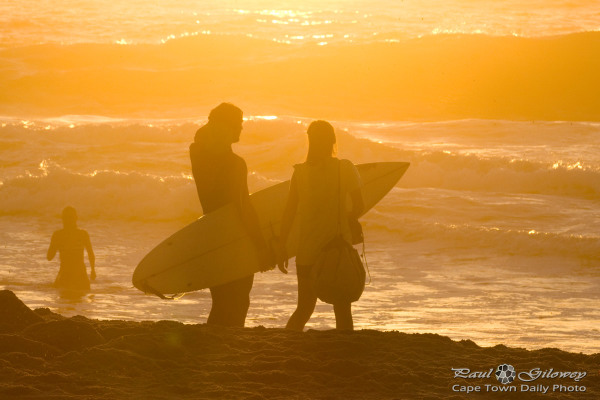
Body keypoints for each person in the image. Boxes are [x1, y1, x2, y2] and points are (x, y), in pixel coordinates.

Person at [190, 102, 273, 327]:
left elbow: (201, 134)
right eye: (237, 124)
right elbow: (243, 208)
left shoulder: (197, 154)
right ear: (224, 127)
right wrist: (261, 247)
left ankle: (214, 346)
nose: (241, 129)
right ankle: (231, 341)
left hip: (211, 235)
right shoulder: (235, 164)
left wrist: (215, 123)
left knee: (220, 300)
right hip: (235, 239)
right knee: (238, 300)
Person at [278, 120, 365, 331]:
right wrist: (348, 217)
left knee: (304, 309)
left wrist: (281, 247)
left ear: (310, 142)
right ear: (333, 141)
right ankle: (344, 353)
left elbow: (288, 213)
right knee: (342, 309)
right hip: (336, 250)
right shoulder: (345, 168)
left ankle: (287, 346)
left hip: (307, 251)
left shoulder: (300, 172)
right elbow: (360, 206)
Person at [47, 206, 96, 293]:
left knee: (62, 298)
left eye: (69, 218)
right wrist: (93, 270)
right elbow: (90, 254)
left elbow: (49, 257)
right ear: (76, 218)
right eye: (67, 218)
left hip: (65, 274)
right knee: (81, 302)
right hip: (80, 275)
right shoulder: (83, 234)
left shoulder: (58, 235)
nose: (68, 220)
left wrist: (57, 244)